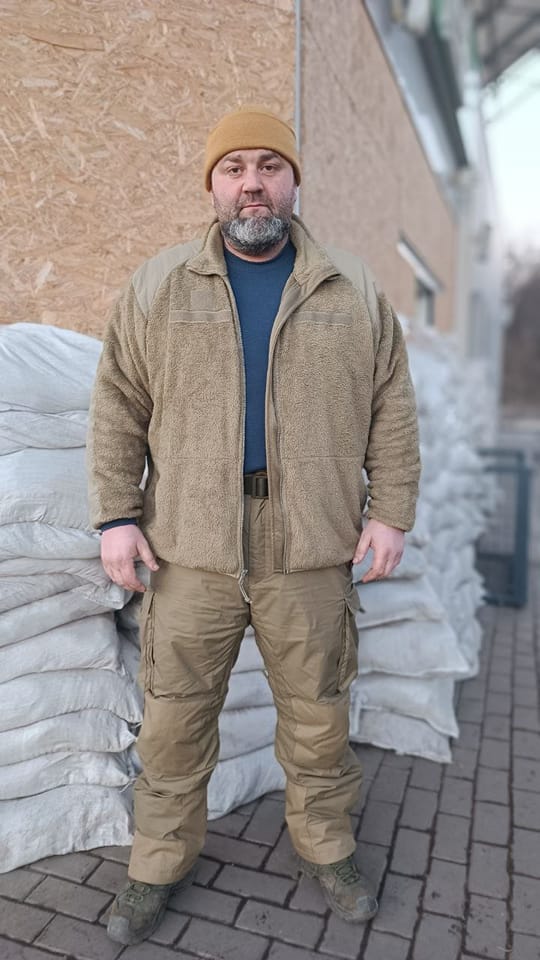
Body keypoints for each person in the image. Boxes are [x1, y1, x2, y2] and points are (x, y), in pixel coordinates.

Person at [87, 105, 421, 946]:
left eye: (270, 165)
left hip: (309, 549)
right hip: (190, 550)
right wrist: (117, 515)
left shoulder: (350, 288)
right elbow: (118, 405)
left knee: (318, 718)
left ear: (294, 180)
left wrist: (391, 511)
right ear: (211, 185)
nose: (252, 184)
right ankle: (156, 864)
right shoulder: (160, 286)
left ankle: (327, 847)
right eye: (233, 168)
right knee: (173, 722)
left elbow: (392, 407)